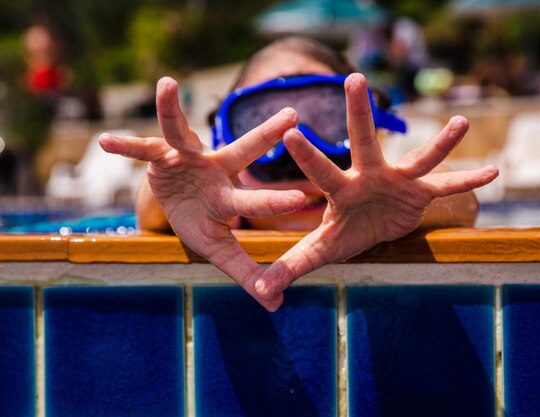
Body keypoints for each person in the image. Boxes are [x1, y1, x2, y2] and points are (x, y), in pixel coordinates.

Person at [99, 36, 498, 311]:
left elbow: (456, 198)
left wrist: (415, 203)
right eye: (262, 123)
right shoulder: (216, 216)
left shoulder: (394, 201)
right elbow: (152, 211)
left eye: (327, 119)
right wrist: (164, 188)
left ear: (368, 127)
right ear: (226, 143)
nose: (297, 148)